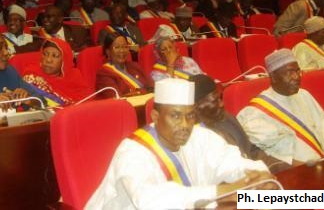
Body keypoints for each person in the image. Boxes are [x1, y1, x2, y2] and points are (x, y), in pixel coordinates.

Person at [86, 78, 274, 209]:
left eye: (190, 115)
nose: (185, 125)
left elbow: (230, 159)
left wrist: (257, 177)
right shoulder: (133, 151)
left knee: (293, 200)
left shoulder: (200, 136)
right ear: (155, 117)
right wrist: (223, 190)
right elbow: (152, 201)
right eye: (175, 116)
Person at [237, 49, 324, 166]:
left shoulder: (304, 95)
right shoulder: (255, 112)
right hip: (297, 173)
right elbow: (271, 157)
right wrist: (306, 169)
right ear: (273, 77)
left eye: (298, 71)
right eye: (289, 73)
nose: (296, 77)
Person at [194, 74, 290, 173]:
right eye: (214, 101)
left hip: (257, 175)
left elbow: (252, 151)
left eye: (220, 98)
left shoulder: (226, 118)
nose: (222, 104)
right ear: (196, 107)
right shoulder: (196, 138)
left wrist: (279, 166)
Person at [22, 38, 92, 107]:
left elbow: (87, 104)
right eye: (45, 54)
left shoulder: (74, 77)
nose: (48, 60)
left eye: (55, 56)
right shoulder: (32, 76)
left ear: (64, 60)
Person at [96, 34, 152, 99]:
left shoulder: (134, 66)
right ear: (108, 51)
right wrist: (144, 92)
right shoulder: (104, 74)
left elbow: (151, 86)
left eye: (125, 47)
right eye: (117, 47)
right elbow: (117, 99)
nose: (122, 51)